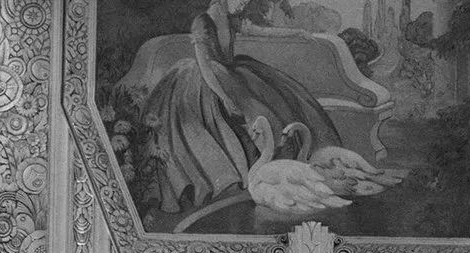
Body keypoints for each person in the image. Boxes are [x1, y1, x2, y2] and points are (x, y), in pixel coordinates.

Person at [141, 0, 344, 213]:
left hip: (231, 73)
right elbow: (204, 67)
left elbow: (263, 32)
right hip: (205, 81)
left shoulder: (231, 19)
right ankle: (233, 178)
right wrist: (225, 98)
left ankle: (284, 167)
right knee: (241, 110)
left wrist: (296, 33)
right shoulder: (202, 22)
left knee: (276, 98)